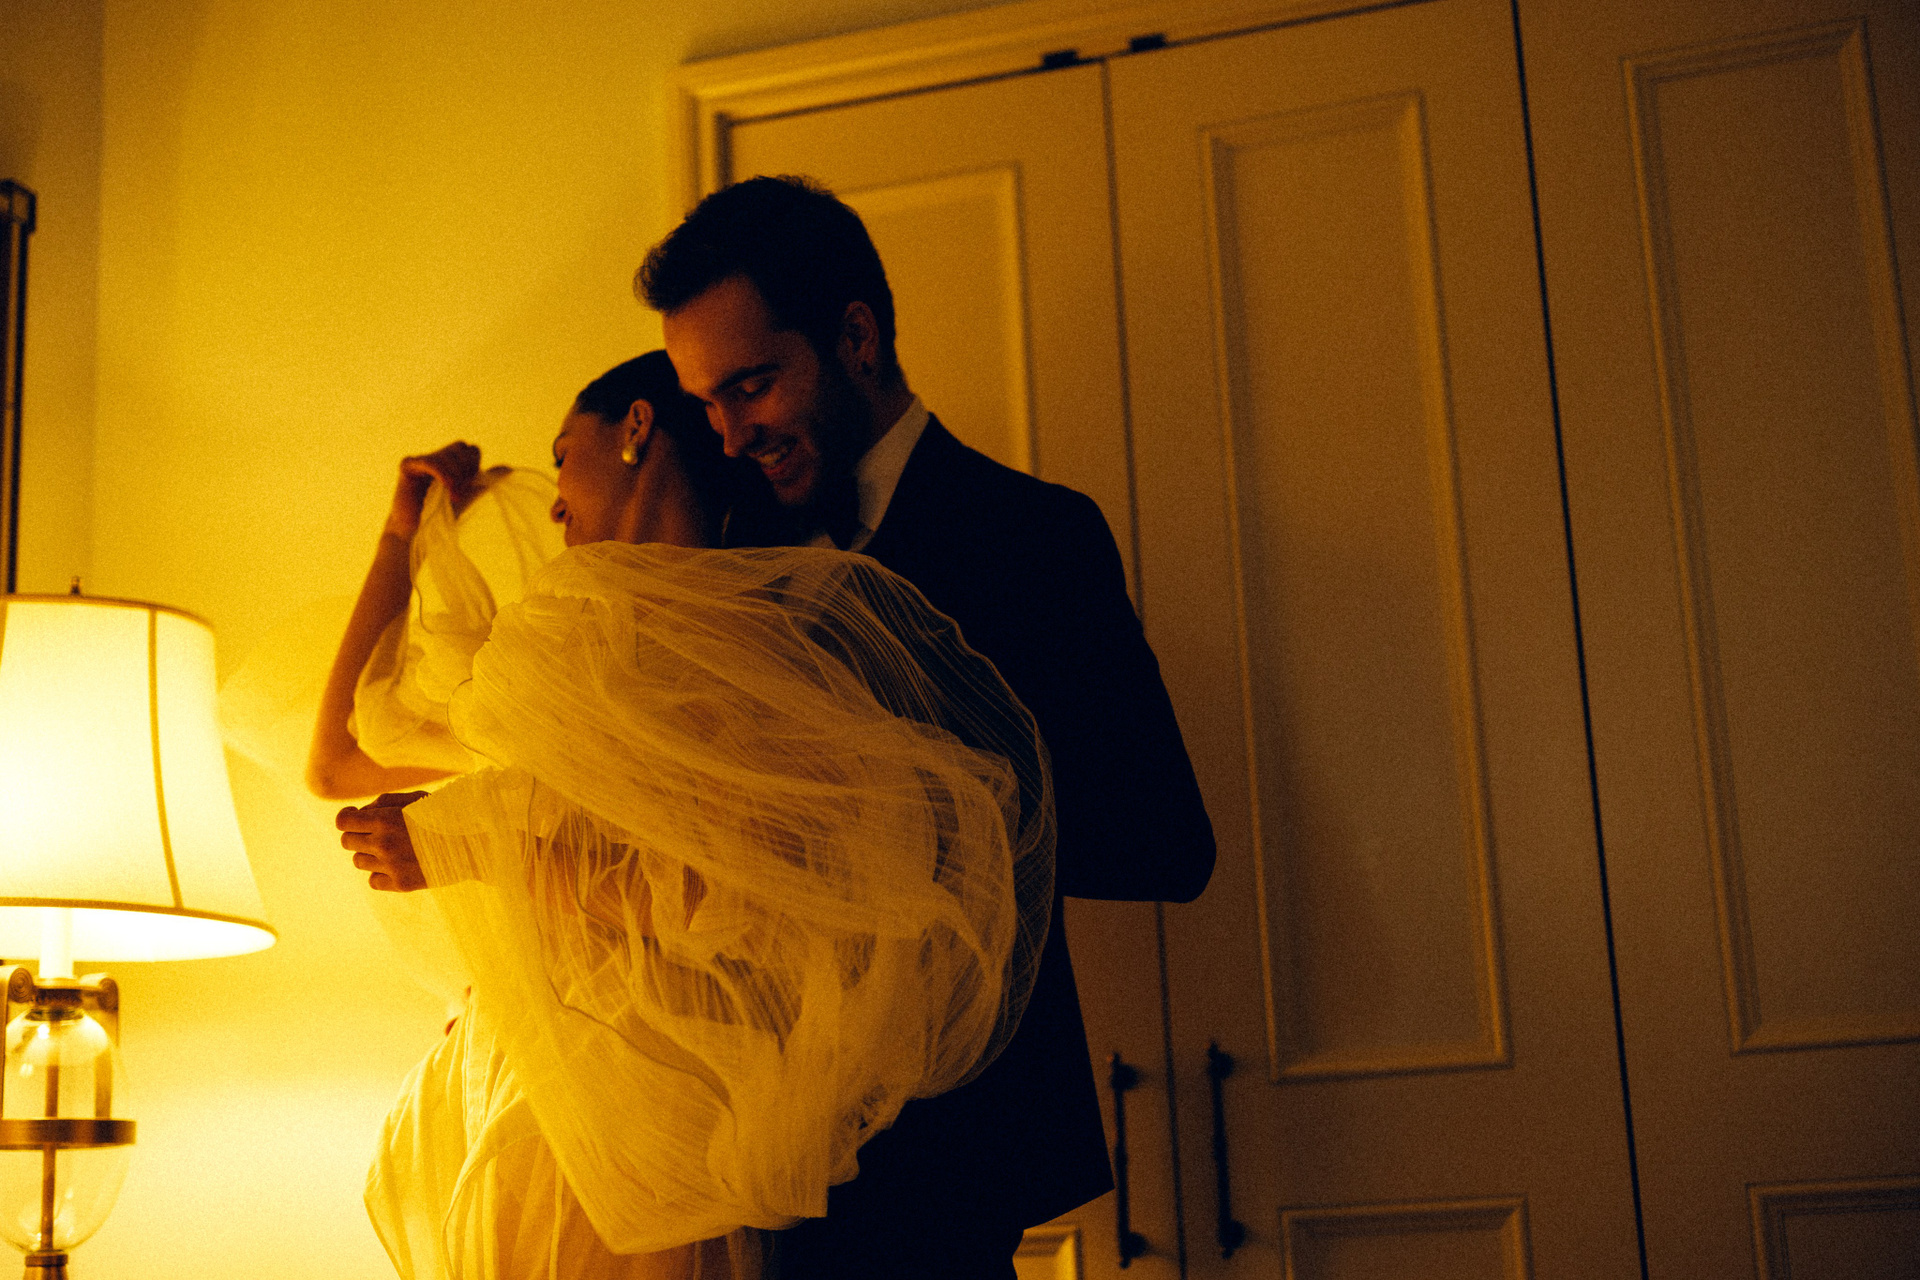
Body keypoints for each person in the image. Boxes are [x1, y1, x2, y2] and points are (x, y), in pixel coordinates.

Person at [312, 352, 1057, 1280]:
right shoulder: (557, 640)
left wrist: (481, 847)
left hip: (637, 1134)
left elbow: (754, 902)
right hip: (519, 1096)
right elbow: (338, 761)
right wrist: (399, 536)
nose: (552, 501)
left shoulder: (752, 652)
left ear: (635, 427)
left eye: (563, 454)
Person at [640, 176, 1217, 1280]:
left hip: (953, 1154)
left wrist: (898, 800)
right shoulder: (731, 552)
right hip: (755, 1154)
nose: (730, 434)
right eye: (707, 402)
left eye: (752, 386)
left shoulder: (1034, 537)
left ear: (856, 337)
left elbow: (1164, 841)